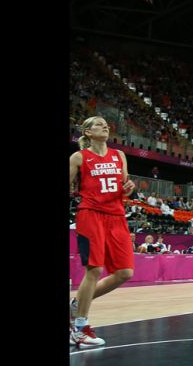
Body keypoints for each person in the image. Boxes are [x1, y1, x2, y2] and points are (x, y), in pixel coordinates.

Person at [69, 116, 136, 347]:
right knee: (94, 269)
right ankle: (79, 328)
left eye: (106, 124)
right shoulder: (78, 157)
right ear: (87, 132)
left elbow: (125, 187)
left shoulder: (119, 155)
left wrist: (129, 188)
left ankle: (76, 305)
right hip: (91, 214)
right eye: (98, 124)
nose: (105, 126)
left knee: (125, 272)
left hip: (116, 215)